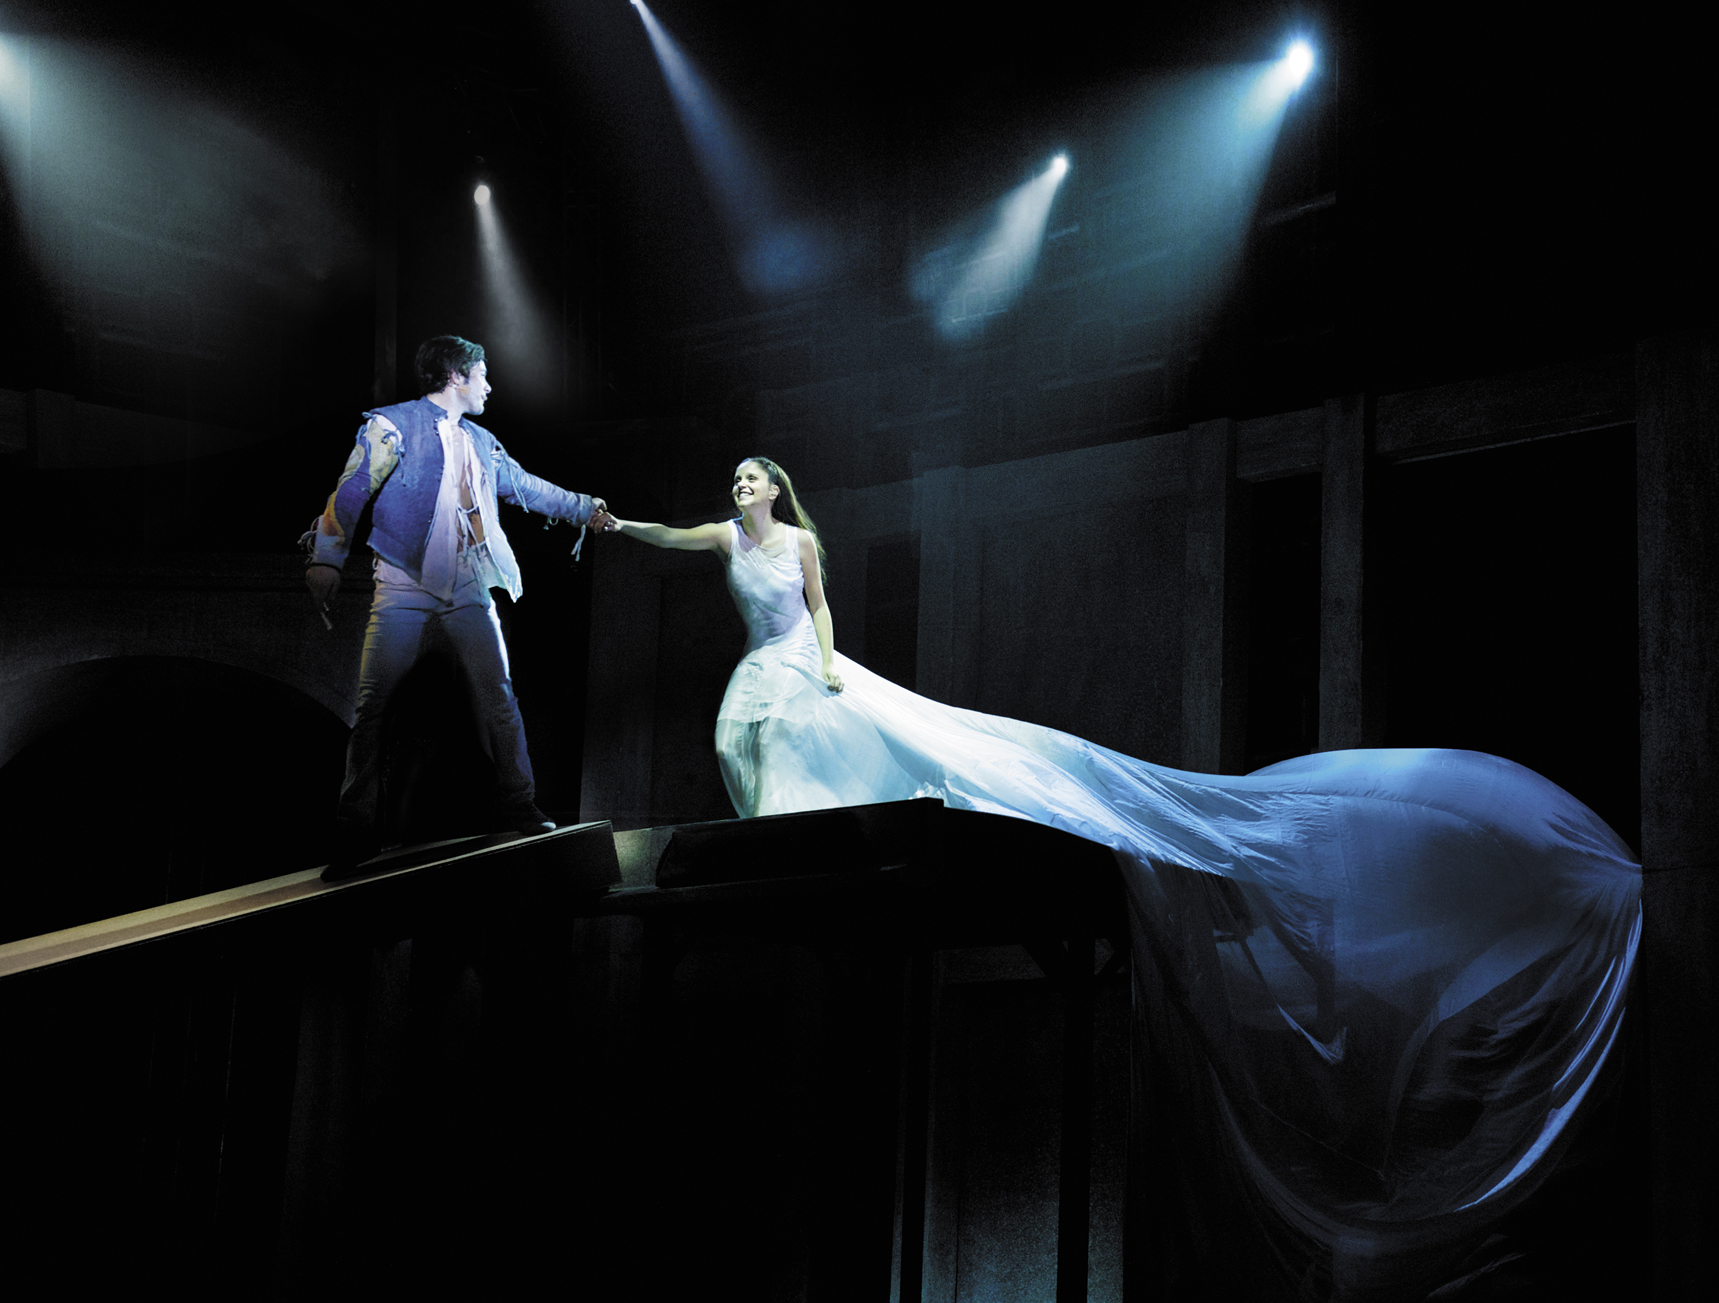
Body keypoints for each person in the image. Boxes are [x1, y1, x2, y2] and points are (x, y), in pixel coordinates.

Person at [592, 456, 1640, 1297]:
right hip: (758, 671)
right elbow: (672, 538)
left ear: (776, 490)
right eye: (734, 480)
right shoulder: (726, 537)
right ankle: (787, 830)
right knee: (754, 741)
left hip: (796, 664)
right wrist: (612, 522)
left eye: (752, 478)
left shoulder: (800, 544)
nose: (740, 489)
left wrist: (826, 660)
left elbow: (818, 611)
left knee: (857, 740)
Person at [305, 335, 605, 879]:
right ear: (456, 376)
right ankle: (354, 834)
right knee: (373, 708)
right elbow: (351, 489)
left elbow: (526, 487)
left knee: (499, 697)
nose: (489, 385)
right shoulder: (393, 424)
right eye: (482, 374)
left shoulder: (482, 441)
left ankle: (521, 804)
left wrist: (585, 509)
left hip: (467, 585)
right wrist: (327, 557)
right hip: (402, 583)